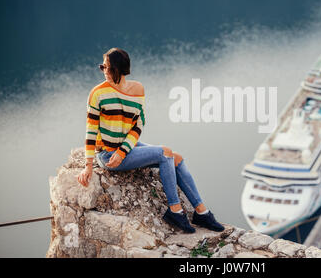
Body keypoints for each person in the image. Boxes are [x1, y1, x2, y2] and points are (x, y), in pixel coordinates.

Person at [77, 47, 224, 233]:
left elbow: (137, 125)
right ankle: (175, 210)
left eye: (106, 67)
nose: (103, 70)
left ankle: (202, 213)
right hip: (107, 154)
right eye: (102, 67)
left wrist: (123, 151)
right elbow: (90, 131)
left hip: (125, 147)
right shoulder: (97, 93)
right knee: (165, 153)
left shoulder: (138, 90)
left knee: (175, 157)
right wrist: (88, 165)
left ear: (118, 69)